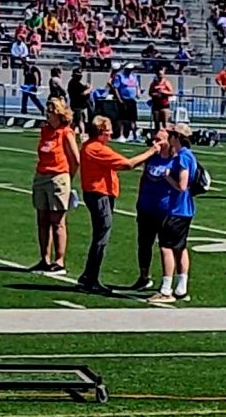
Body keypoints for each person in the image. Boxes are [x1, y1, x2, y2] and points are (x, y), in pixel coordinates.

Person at [77, 116, 162, 291]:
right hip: (99, 194)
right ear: (100, 132)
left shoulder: (93, 146)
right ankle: (90, 277)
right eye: (108, 131)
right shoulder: (96, 148)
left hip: (99, 193)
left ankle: (88, 275)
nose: (110, 134)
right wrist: (152, 151)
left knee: (100, 234)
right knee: (101, 236)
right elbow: (127, 164)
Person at [148, 124, 199, 304]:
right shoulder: (185, 155)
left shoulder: (183, 157)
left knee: (166, 247)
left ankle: (166, 288)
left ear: (176, 137)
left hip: (177, 209)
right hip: (183, 209)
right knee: (180, 247)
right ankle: (181, 286)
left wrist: (168, 176)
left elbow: (182, 186)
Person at [31, 97, 80, 274]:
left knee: (57, 221)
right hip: (42, 176)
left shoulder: (65, 132)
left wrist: (67, 178)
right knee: (42, 220)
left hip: (58, 176)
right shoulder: (45, 131)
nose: (48, 113)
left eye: (51, 111)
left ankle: (59, 261)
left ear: (59, 113)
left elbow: (75, 159)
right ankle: (44, 258)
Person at [133, 127, 175, 291]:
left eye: (159, 139)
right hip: (146, 207)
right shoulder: (151, 157)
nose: (155, 142)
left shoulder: (175, 159)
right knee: (144, 244)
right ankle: (144, 276)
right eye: (154, 139)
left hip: (164, 209)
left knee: (166, 246)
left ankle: (167, 282)